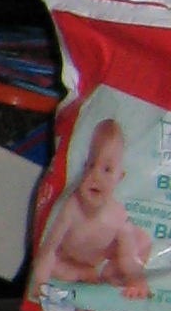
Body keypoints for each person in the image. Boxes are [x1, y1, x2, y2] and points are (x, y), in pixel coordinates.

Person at [32, 112, 157, 295]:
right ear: (84, 169)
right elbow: (50, 248)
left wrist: (137, 281)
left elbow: (128, 257)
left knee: (141, 241)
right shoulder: (71, 208)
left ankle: (106, 273)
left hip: (99, 260)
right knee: (49, 262)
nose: (96, 176)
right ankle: (81, 273)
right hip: (67, 259)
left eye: (107, 169)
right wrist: (39, 284)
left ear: (120, 177)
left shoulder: (117, 215)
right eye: (92, 165)